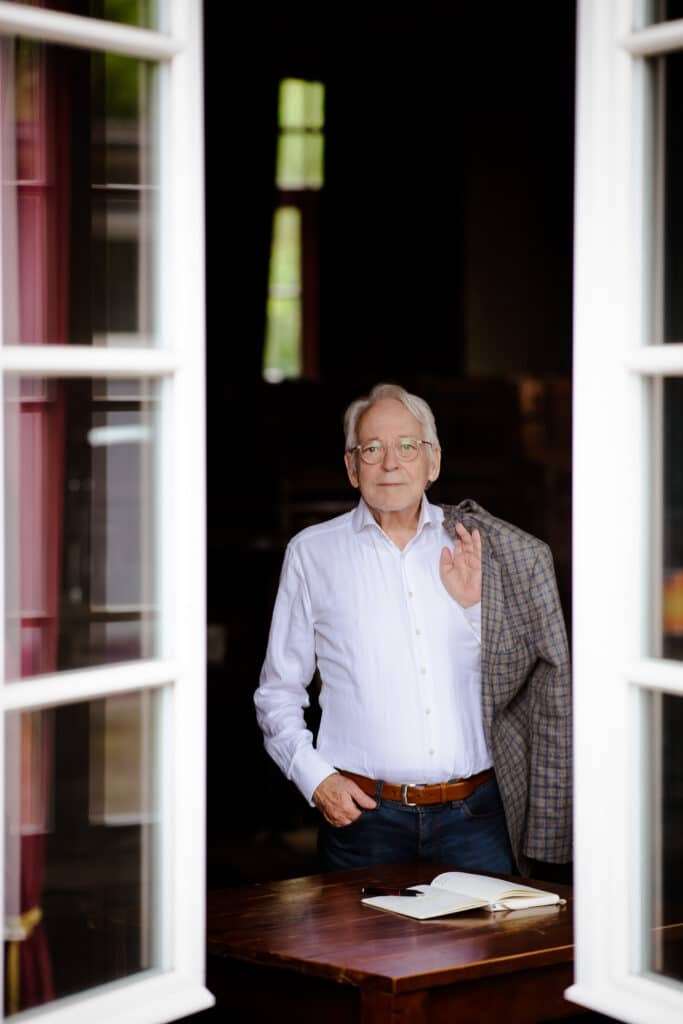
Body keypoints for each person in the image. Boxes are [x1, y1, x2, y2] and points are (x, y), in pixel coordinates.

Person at [255, 382, 571, 877]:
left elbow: (531, 686)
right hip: (364, 822)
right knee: (362, 957)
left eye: (407, 446)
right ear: (351, 467)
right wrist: (315, 779)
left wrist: (473, 608)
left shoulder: (482, 548)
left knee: (485, 956)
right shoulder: (312, 553)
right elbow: (277, 692)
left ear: (433, 462)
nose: (390, 463)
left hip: (476, 819)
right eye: (372, 449)